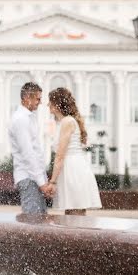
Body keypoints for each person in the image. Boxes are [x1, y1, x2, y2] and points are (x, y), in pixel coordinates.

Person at [44, 87, 101, 215]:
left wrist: (52, 182)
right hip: (75, 168)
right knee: (74, 215)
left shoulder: (67, 122)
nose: (47, 104)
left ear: (57, 104)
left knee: (74, 217)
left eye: (50, 102)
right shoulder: (67, 121)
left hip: (72, 170)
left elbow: (60, 155)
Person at [8, 82, 49, 214]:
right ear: (26, 98)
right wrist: (42, 182)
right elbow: (27, 153)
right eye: (37, 98)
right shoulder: (20, 119)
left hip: (34, 177)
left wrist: (42, 179)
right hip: (28, 177)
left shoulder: (29, 118)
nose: (40, 102)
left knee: (40, 222)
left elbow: (35, 152)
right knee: (33, 223)